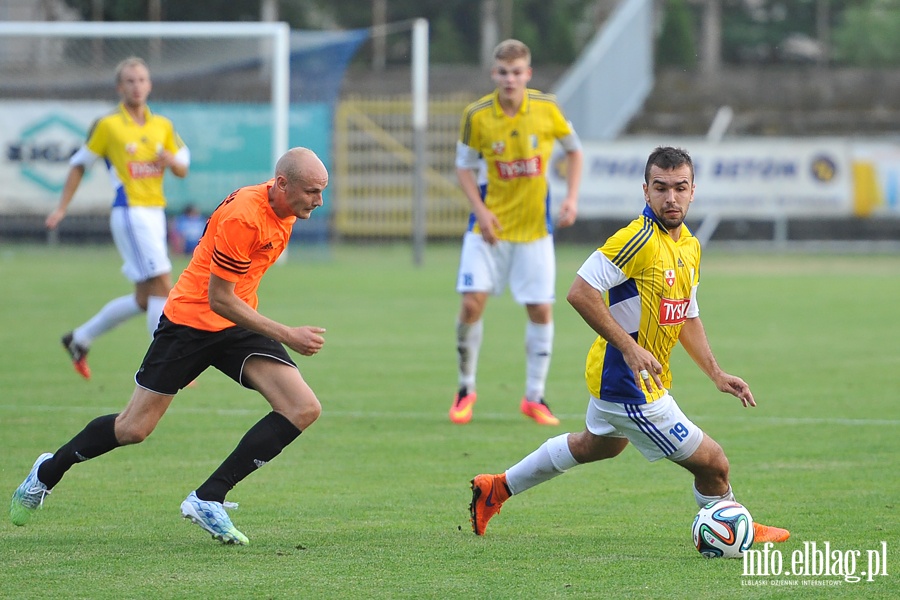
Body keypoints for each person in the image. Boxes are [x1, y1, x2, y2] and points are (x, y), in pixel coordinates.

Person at [467, 146, 791, 545]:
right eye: (661, 188)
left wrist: (716, 373)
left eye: (679, 187)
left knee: (595, 446)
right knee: (714, 463)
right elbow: (580, 292)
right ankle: (733, 528)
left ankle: (495, 488)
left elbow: (686, 313)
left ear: (693, 192)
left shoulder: (689, 245)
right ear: (646, 191)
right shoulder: (636, 239)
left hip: (629, 378)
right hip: (628, 385)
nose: (670, 197)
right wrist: (628, 347)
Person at [11, 147, 329, 546]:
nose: (319, 201)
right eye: (313, 191)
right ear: (282, 184)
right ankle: (46, 472)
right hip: (190, 325)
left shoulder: (283, 208)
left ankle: (208, 498)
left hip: (235, 325)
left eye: (321, 191)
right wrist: (287, 334)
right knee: (133, 429)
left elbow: (233, 301)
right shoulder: (244, 216)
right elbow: (219, 298)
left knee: (302, 408)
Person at [449, 39, 583, 426]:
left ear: (528, 74)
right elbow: (463, 168)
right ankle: (465, 388)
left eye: (517, 72)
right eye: (503, 72)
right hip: (487, 229)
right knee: (472, 304)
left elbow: (574, 151)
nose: (510, 79)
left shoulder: (546, 109)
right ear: (495, 74)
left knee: (541, 308)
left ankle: (534, 397)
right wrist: (482, 211)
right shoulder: (477, 115)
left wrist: (571, 198)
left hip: (535, 230)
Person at [46, 56, 190, 380]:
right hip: (130, 213)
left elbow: (182, 167)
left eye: (141, 80)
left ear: (149, 85)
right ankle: (165, 362)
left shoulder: (162, 125)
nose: (136, 86)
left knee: (144, 298)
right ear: (119, 87)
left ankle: (79, 339)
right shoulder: (108, 125)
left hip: (155, 212)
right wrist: (62, 207)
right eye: (130, 80)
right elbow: (79, 163)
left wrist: (170, 160)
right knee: (163, 285)